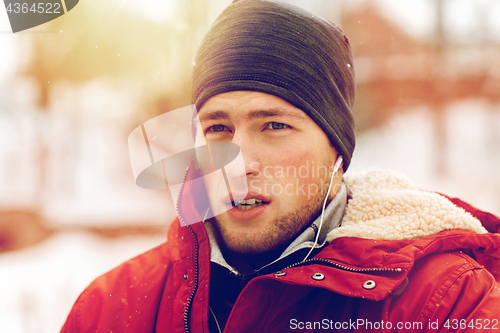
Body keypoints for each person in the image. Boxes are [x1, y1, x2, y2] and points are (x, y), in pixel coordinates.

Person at [61, 0, 500, 332]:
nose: (239, 163)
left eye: (274, 125)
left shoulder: (445, 302)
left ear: (337, 156)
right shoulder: (110, 307)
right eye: (217, 128)